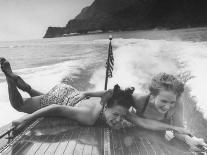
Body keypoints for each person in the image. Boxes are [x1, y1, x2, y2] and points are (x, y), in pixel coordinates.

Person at [0, 58, 190, 135]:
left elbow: (142, 121)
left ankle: (28, 88)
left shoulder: (117, 105)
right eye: (116, 115)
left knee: (43, 99)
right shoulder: (90, 118)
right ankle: (11, 79)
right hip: (61, 97)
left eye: (122, 116)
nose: (119, 120)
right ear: (105, 108)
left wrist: (175, 128)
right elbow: (56, 108)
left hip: (74, 94)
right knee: (19, 105)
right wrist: (25, 119)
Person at [77, 72, 207, 152]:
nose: (168, 106)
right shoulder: (139, 100)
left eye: (172, 102)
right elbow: (115, 93)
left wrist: (190, 140)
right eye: (163, 101)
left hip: (158, 137)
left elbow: (179, 130)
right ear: (152, 95)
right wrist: (87, 93)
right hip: (137, 133)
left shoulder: (177, 104)